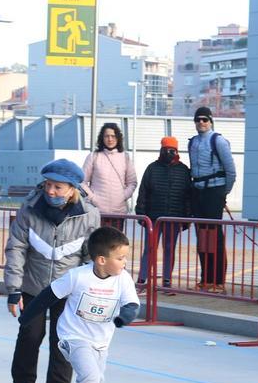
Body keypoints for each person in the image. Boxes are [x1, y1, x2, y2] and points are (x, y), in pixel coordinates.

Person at [18, 226, 140, 383]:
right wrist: (26, 317)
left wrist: (124, 317)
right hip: (72, 337)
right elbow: (48, 296)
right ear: (101, 260)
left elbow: (131, 304)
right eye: (120, 258)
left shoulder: (123, 279)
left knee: (95, 381)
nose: (125, 262)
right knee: (91, 377)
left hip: (101, 342)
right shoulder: (77, 276)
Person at [3, 159, 100, 383]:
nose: (51, 191)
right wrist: (14, 289)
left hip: (68, 290)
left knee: (63, 344)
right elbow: (16, 248)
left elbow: (90, 256)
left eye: (58, 187)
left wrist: (89, 291)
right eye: (48, 185)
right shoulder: (29, 208)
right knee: (30, 337)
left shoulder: (89, 214)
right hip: (33, 287)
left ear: (72, 189)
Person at [187, 107, 236, 293]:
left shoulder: (219, 141)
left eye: (204, 119)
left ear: (210, 121)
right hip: (198, 190)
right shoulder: (193, 143)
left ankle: (217, 280)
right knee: (202, 237)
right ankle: (205, 278)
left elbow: (231, 171)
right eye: (198, 119)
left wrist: (224, 192)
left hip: (214, 190)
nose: (201, 122)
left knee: (214, 236)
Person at [134, 136, 191, 290]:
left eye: (172, 150)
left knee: (169, 248)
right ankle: (142, 278)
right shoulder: (152, 168)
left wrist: (187, 219)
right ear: (161, 150)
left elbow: (188, 196)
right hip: (153, 217)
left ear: (177, 151)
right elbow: (143, 191)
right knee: (149, 248)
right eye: (166, 149)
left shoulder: (184, 170)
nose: (169, 153)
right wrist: (141, 212)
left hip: (174, 217)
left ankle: (167, 280)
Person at [82, 123, 137, 222]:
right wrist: (93, 198)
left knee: (116, 238)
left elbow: (132, 183)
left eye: (113, 136)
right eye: (107, 136)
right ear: (102, 138)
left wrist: (122, 196)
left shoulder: (125, 157)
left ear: (118, 138)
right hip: (97, 212)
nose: (110, 139)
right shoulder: (93, 156)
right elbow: (82, 182)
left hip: (118, 212)